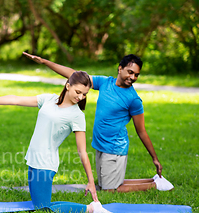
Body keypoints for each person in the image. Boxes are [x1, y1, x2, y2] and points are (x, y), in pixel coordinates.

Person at [24, 52, 163, 192]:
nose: (133, 77)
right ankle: (153, 179)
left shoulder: (133, 99)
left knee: (110, 189)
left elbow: (141, 131)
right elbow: (74, 76)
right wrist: (45, 62)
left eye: (136, 75)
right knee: (106, 184)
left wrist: (154, 158)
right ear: (120, 69)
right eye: (130, 72)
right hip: (100, 144)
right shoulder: (105, 83)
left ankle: (156, 185)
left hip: (115, 148)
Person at [0, 71, 115, 213]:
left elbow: (82, 151)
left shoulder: (77, 115)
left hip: (45, 163)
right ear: (68, 85)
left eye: (84, 94)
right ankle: (91, 208)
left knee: (43, 209)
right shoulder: (49, 99)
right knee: (40, 204)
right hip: (33, 158)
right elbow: (16, 100)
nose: (80, 97)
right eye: (78, 92)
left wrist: (91, 181)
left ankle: (91, 209)